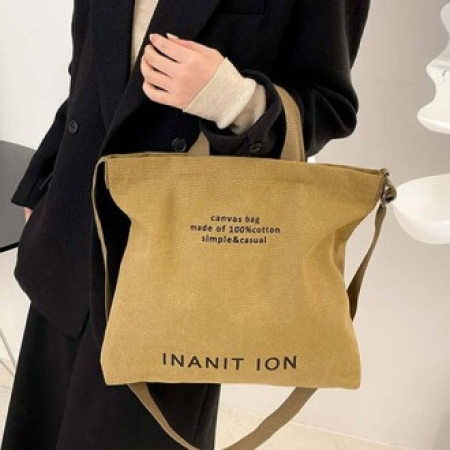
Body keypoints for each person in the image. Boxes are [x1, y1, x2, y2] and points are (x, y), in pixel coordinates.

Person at [1, 0, 371, 448]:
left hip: (181, 264)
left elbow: (329, 106)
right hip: (71, 233)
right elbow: (85, 72)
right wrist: (44, 180)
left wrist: (233, 98)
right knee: (38, 429)